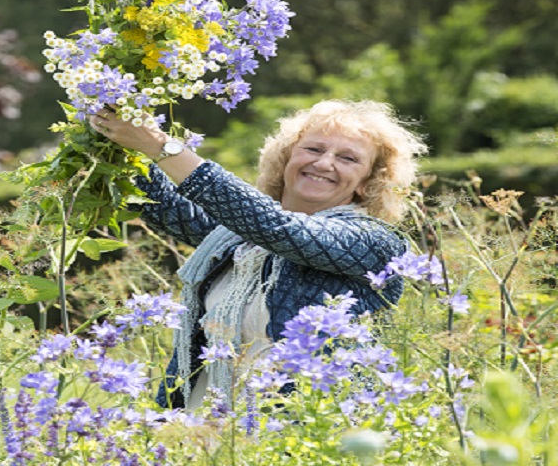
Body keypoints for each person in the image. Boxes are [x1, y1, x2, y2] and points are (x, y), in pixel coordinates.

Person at [90, 99, 428, 409]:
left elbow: (277, 229)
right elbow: (164, 204)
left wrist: (160, 145)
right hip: (202, 430)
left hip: (299, 436)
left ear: (367, 183)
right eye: (313, 148)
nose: (324, 163)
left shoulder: (375, 242)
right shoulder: (235, 237)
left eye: (348, 158)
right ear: (286, 160)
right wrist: (108, 126)